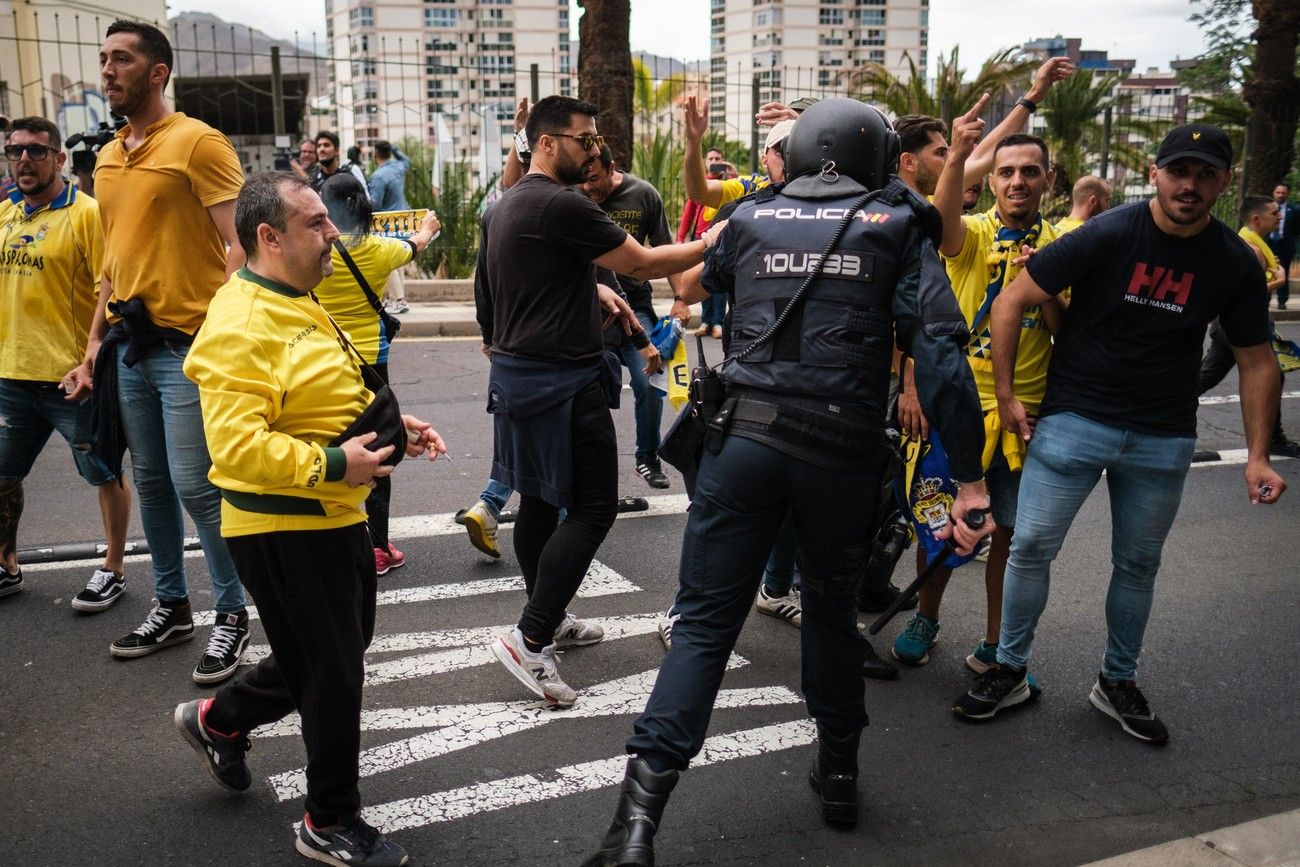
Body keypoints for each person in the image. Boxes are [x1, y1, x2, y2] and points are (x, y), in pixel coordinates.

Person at [583, 99, 995, 866]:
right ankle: (838, 773)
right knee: (832, 615)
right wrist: (970, 483)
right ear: (875, 158)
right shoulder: (898, 225)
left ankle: (633, 825)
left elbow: (698, 287)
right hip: (840, 452)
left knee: (705, 626)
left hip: (743, 441)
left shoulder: (752, 220)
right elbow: (938, 352)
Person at [954, 123, 1286, 744]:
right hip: (1075, 419)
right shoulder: (1108, 233)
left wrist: (1259, 456)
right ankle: (1010, 668)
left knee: (1137, 565)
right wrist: (1005, 394)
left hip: (1163, 434)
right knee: (1030, 549)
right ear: (1156, 175)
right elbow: (1011, 301)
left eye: (1205, 174)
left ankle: (1117, 680)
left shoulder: (1231, 260)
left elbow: (1256, 358)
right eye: (1178, 171)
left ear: (1222, 182)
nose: (1190, 185)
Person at [174, 171, 445, 867]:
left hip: (331, 514)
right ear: (269, 236)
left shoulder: (297, 295)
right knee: (332, 671)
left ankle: (219, 720)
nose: (335, 234)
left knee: (328, 656)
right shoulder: (240, 321)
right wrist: (333, 464)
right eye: (318, 223)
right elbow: (234, 445)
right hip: (286, 525)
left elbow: (332, 386)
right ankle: (328, 817)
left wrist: (393, 427)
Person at [481, 95, 708, 708]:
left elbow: (531, 276)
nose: (594, 151)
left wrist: (594, 293)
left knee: (537, 503)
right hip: (562, 382)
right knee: (592, 509)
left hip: (519, 375)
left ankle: (546, 617)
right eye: (584, 139)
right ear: (550, 143)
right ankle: (531, 636)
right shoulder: (559, 203)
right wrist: (722, 234)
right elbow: (644, 260)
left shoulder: (512, 201)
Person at [73, 20, 250, 684]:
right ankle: (173, 605)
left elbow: (240, 246)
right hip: (129, 345)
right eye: (103, 59)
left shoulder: (198, 143)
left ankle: (232, 612)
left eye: (122, 59)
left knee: (197, 486)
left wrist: (216, 329)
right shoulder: (111, 157)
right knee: (149, 482)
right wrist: (95, 340)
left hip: (187, 348)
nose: (107, 70)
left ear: (158, 72)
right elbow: (114, 262)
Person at [891, 104, 1067, 678]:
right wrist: (960, 153)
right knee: (937, 522)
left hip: (1025, 419)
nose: (1018, 182)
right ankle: (926, 616)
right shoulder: (974, 233)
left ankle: (996, 642)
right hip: (958, 408)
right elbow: (942, 231)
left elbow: (1071, 331)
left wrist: (1048, 288)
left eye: (1030, 172)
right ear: (990, 181)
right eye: (1008, 172)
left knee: (1010, 539)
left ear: (1048, 180)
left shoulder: (1063, 245)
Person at [0, 116, 131, 606]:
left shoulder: (88, 214)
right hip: (11, 377)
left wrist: (92, 357)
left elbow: (110, 285)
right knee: (3, 476)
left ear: (58, 158)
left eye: (36, 150)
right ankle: (6, 564)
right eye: (15, 151)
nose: (24, 160)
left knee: (103, 471)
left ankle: (113, 567)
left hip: (72, 377)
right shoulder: (7, 215)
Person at [315, 172, 442, 574]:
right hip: (371, 359)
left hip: (324, 356)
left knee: (334, 441)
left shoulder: (315, 251)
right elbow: (415, 246)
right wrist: (427, 228)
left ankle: (335, 536)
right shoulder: (378, 248)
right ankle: (378, 546)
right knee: (380, 443)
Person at [581, 144, 682, 489]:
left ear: (611, 168)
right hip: (586, 310)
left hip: (634, 306)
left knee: (650, 381)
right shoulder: (575, 197)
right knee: (582, 390)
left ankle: (647, 458)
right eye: (583, 178)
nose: (588, 186)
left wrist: (682, 298)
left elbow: (665, 250)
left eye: (593, 178)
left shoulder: (643, 194)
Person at [1198, 195, 1300, 457]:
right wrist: (1279, 281)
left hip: (1241, 321)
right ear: (1256, 218)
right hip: (1238, 322)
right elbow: (1238, 291)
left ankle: (1160, 416)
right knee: (1268, 375)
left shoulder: (1256, 243)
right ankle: (1162, 422)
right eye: (1274, 212)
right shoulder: (1247, 245)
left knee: (1207, 377)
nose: (1280, 216)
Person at [1266, 183, 1298, 309]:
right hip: (1269, 243)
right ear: (1274, 193)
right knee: (1266, 272)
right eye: (1278, 192)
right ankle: (1265, 299)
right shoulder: (1266, 208)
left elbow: (1296, 229)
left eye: (1283, 193)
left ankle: (1282, 301)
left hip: (1284, 245)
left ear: (1287, 194)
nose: (1280, 195)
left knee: (1283, 271)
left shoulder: (1294, 210)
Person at [312, 131, 368, 196]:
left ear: (337, 151)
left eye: (326, 145)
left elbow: (366, 200)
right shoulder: (314, 178)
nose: (321, 149)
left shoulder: (352, 171)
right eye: (318, 146)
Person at [367, 139, 410, 212]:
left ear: (375, 153)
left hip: (389, 220)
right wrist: (393, 148)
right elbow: (405, 160)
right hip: (403, 215)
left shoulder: (378, 176)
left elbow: (375, 206)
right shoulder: (398, 167)